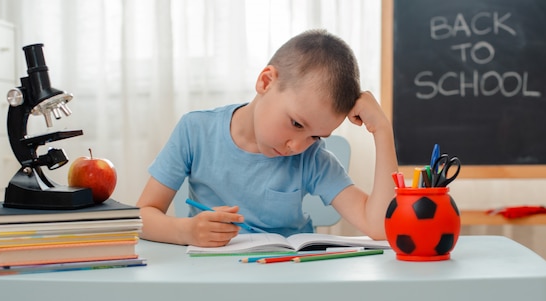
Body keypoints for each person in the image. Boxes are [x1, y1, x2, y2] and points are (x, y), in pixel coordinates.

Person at [136, 29, 397, 247]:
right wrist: (186, 231)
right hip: (212, 279)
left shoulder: (312, 158)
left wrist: (383, 131)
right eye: (296, 123)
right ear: (266, 81)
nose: (297, 146)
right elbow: (142, 217)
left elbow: (380, 227)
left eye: (315, 136)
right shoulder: (195, 131)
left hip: (285, 279)